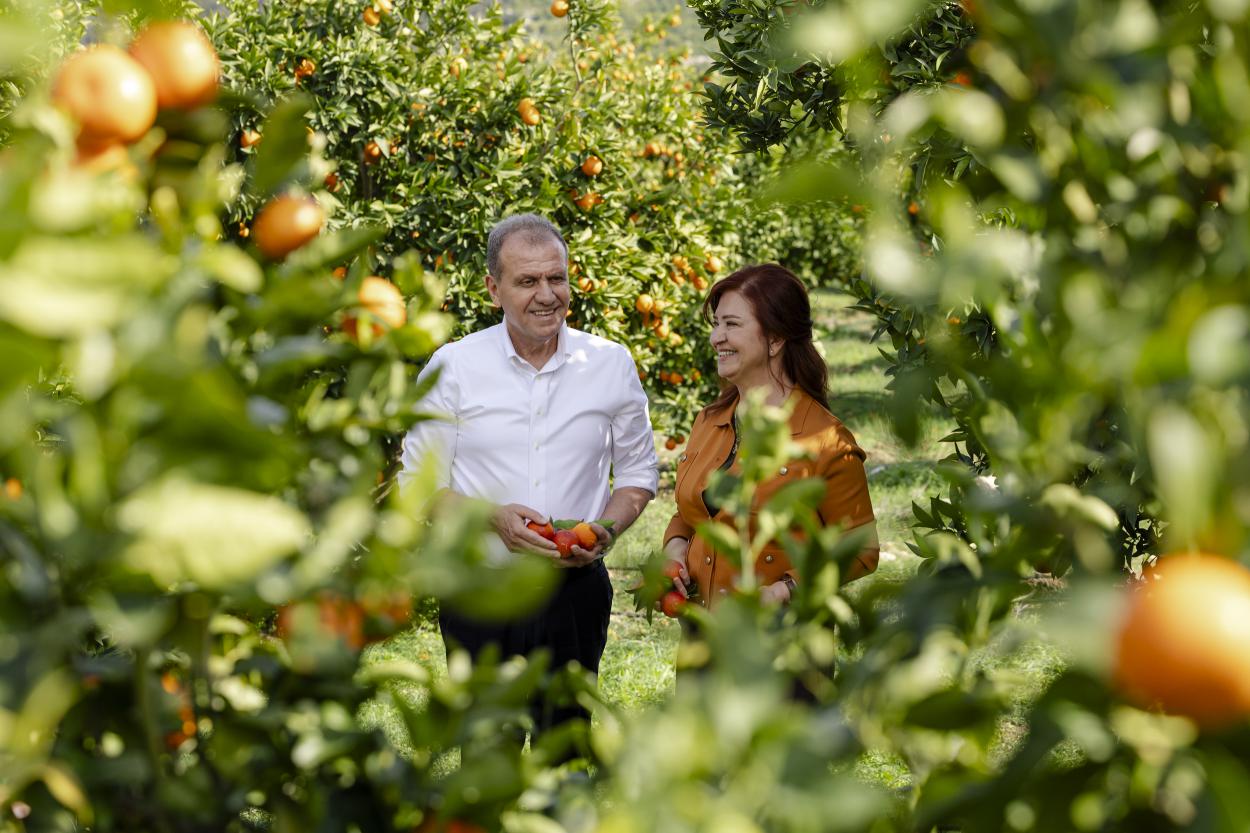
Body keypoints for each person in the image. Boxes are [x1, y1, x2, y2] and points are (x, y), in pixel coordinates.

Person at [399, 213, 658, 733]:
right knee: (484, 752)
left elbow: (637, 471)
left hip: (575, 591)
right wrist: (491, 518)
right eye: (527, 281)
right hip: (480, 591)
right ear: (494, 289)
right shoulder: (453, 368)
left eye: (556, 278)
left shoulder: (609, 363)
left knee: (565, 748)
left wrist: (606, 529)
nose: (547, 295)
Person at [663, 263, 878, 609]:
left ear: (776, 339)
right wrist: (673, 553)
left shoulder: (825, 440)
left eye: (731, 324)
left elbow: (861, 548)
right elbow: (693, 515)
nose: (716, 337)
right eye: (717, 324)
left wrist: (784, 590)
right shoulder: (710, 420)